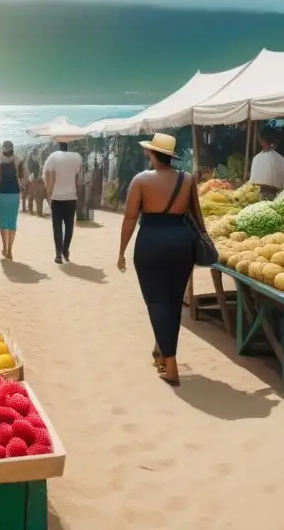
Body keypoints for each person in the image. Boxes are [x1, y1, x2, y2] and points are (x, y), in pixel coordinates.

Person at [117, 134, 200, 387]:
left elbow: (130, 217)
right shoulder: (187, 180)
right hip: (181, 242)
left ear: (152, 154)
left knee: (156, 301)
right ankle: (161, 353)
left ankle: (171, 364)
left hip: (151, 242)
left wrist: (121, 250)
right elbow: (196, 214)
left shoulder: (141, 180)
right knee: (173, 303)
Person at [44, 142, 83, 264]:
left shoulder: (53, 158)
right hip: (71, 198)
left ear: (58, 148)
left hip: (57, 198)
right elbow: (78, 180)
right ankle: (66, 250)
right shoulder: (76, 158)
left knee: (57, 227)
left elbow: (50, 180)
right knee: (69, 226)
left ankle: (58, 254)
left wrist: (49, 194)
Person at [0, 141, 26, 259]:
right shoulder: (19, 160)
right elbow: (22, 180)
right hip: (14, 194)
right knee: (12, 222)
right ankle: (10, 249)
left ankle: (4, 248)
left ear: (3, 149)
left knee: (3, 222)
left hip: (1, 193)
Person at [248, 126, 284, 195]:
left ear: (260, 140)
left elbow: (251, 183)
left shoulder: (256, 159)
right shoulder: (281, 160)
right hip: (276, 199)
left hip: (256, 198)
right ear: (277, 141)